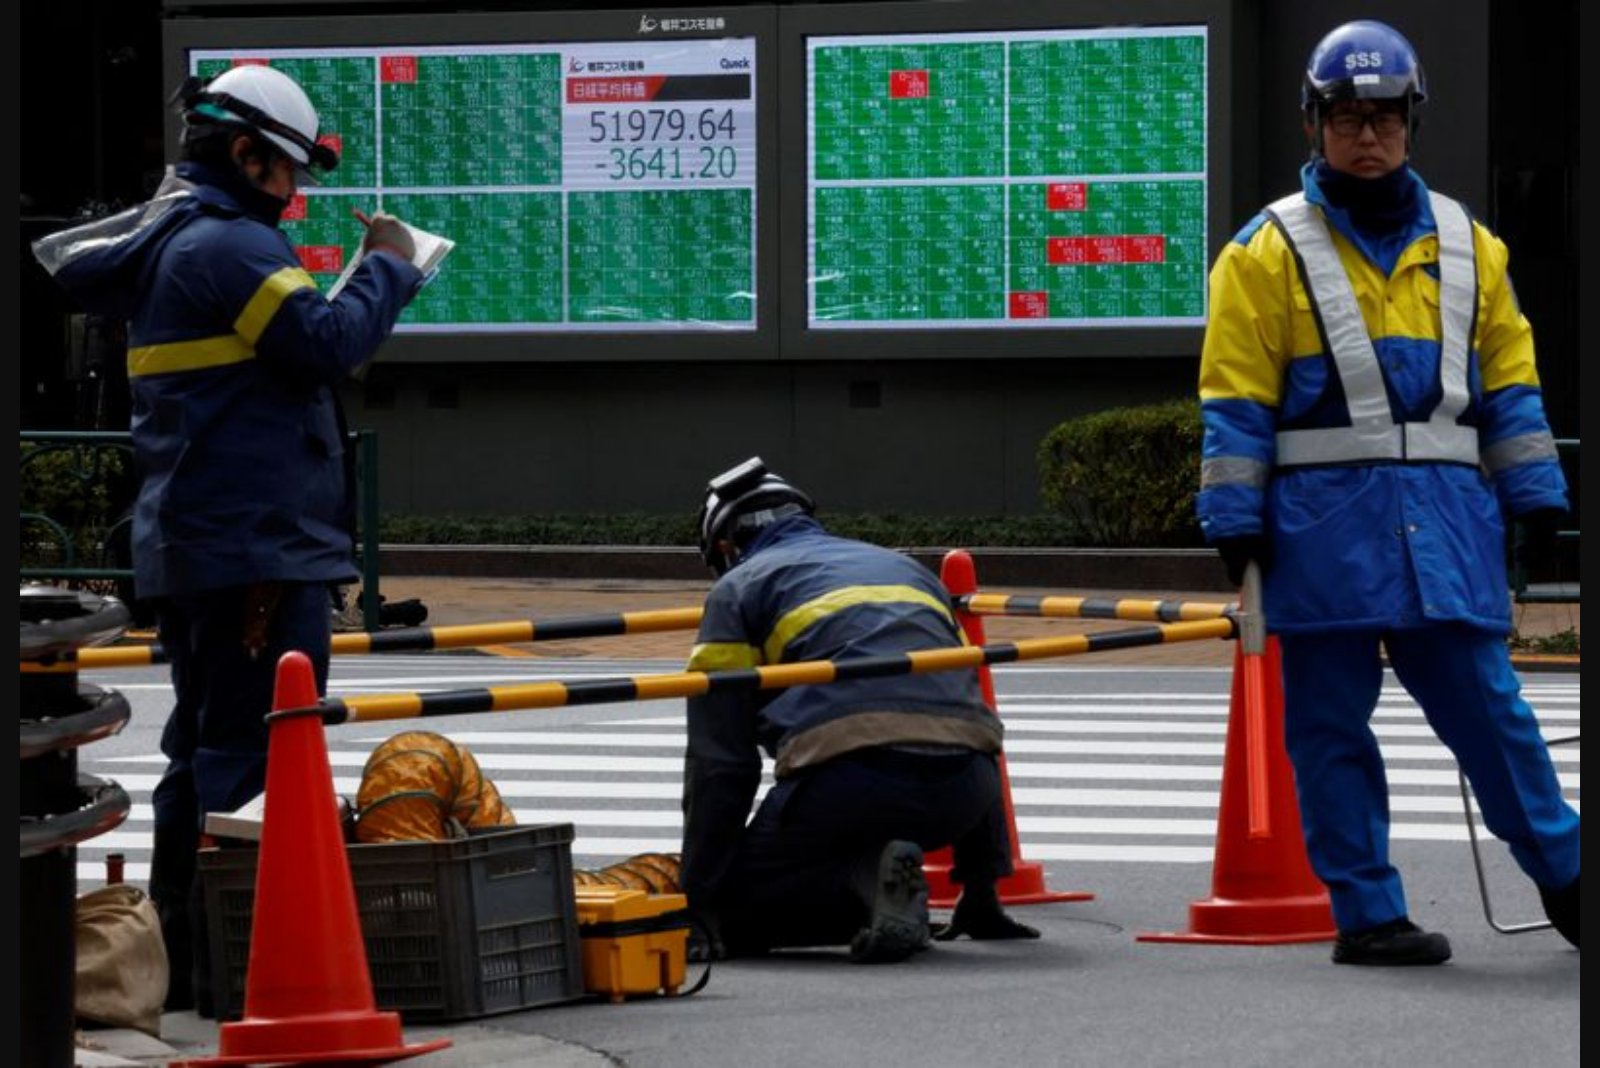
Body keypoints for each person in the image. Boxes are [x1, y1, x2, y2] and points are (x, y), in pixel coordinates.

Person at [31, 63, 426, 1009]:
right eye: (288, 173)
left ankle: (188, 951)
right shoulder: (232, 249)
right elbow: (324, 346)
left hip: (214, 543)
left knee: (209, 750)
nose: (294, 197)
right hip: (254, 548)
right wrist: (391, 266)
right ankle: (218, 958)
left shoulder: (181, 243)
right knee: (250, 756)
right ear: (246, 156)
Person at [1195, 20, 1579, 965]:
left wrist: (1536, 499)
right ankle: (1369, 914)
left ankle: (1572, 882)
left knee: (1495, 717)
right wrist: (1234, 525)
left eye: (1384, 116)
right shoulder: (1263, 253)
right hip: (1320, 533)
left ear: (1412, 120)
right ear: (1314, 123)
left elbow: (1511, 382)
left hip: (1446, 525)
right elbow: (1235, 398)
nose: (1367, 134)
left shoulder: (1470, 246)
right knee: (1327, 730)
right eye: (1347, 116)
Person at [678, 457, 1040, 964]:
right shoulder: (906, 570)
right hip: (963, 791)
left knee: (737, 913)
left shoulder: (739, 587)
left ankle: (868, 886)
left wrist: (698, 901)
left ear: (725, 545)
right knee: (944, 722)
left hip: (849, 783)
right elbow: (966, 713)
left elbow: (721, 763)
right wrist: (981, 892)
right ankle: (888, 887)